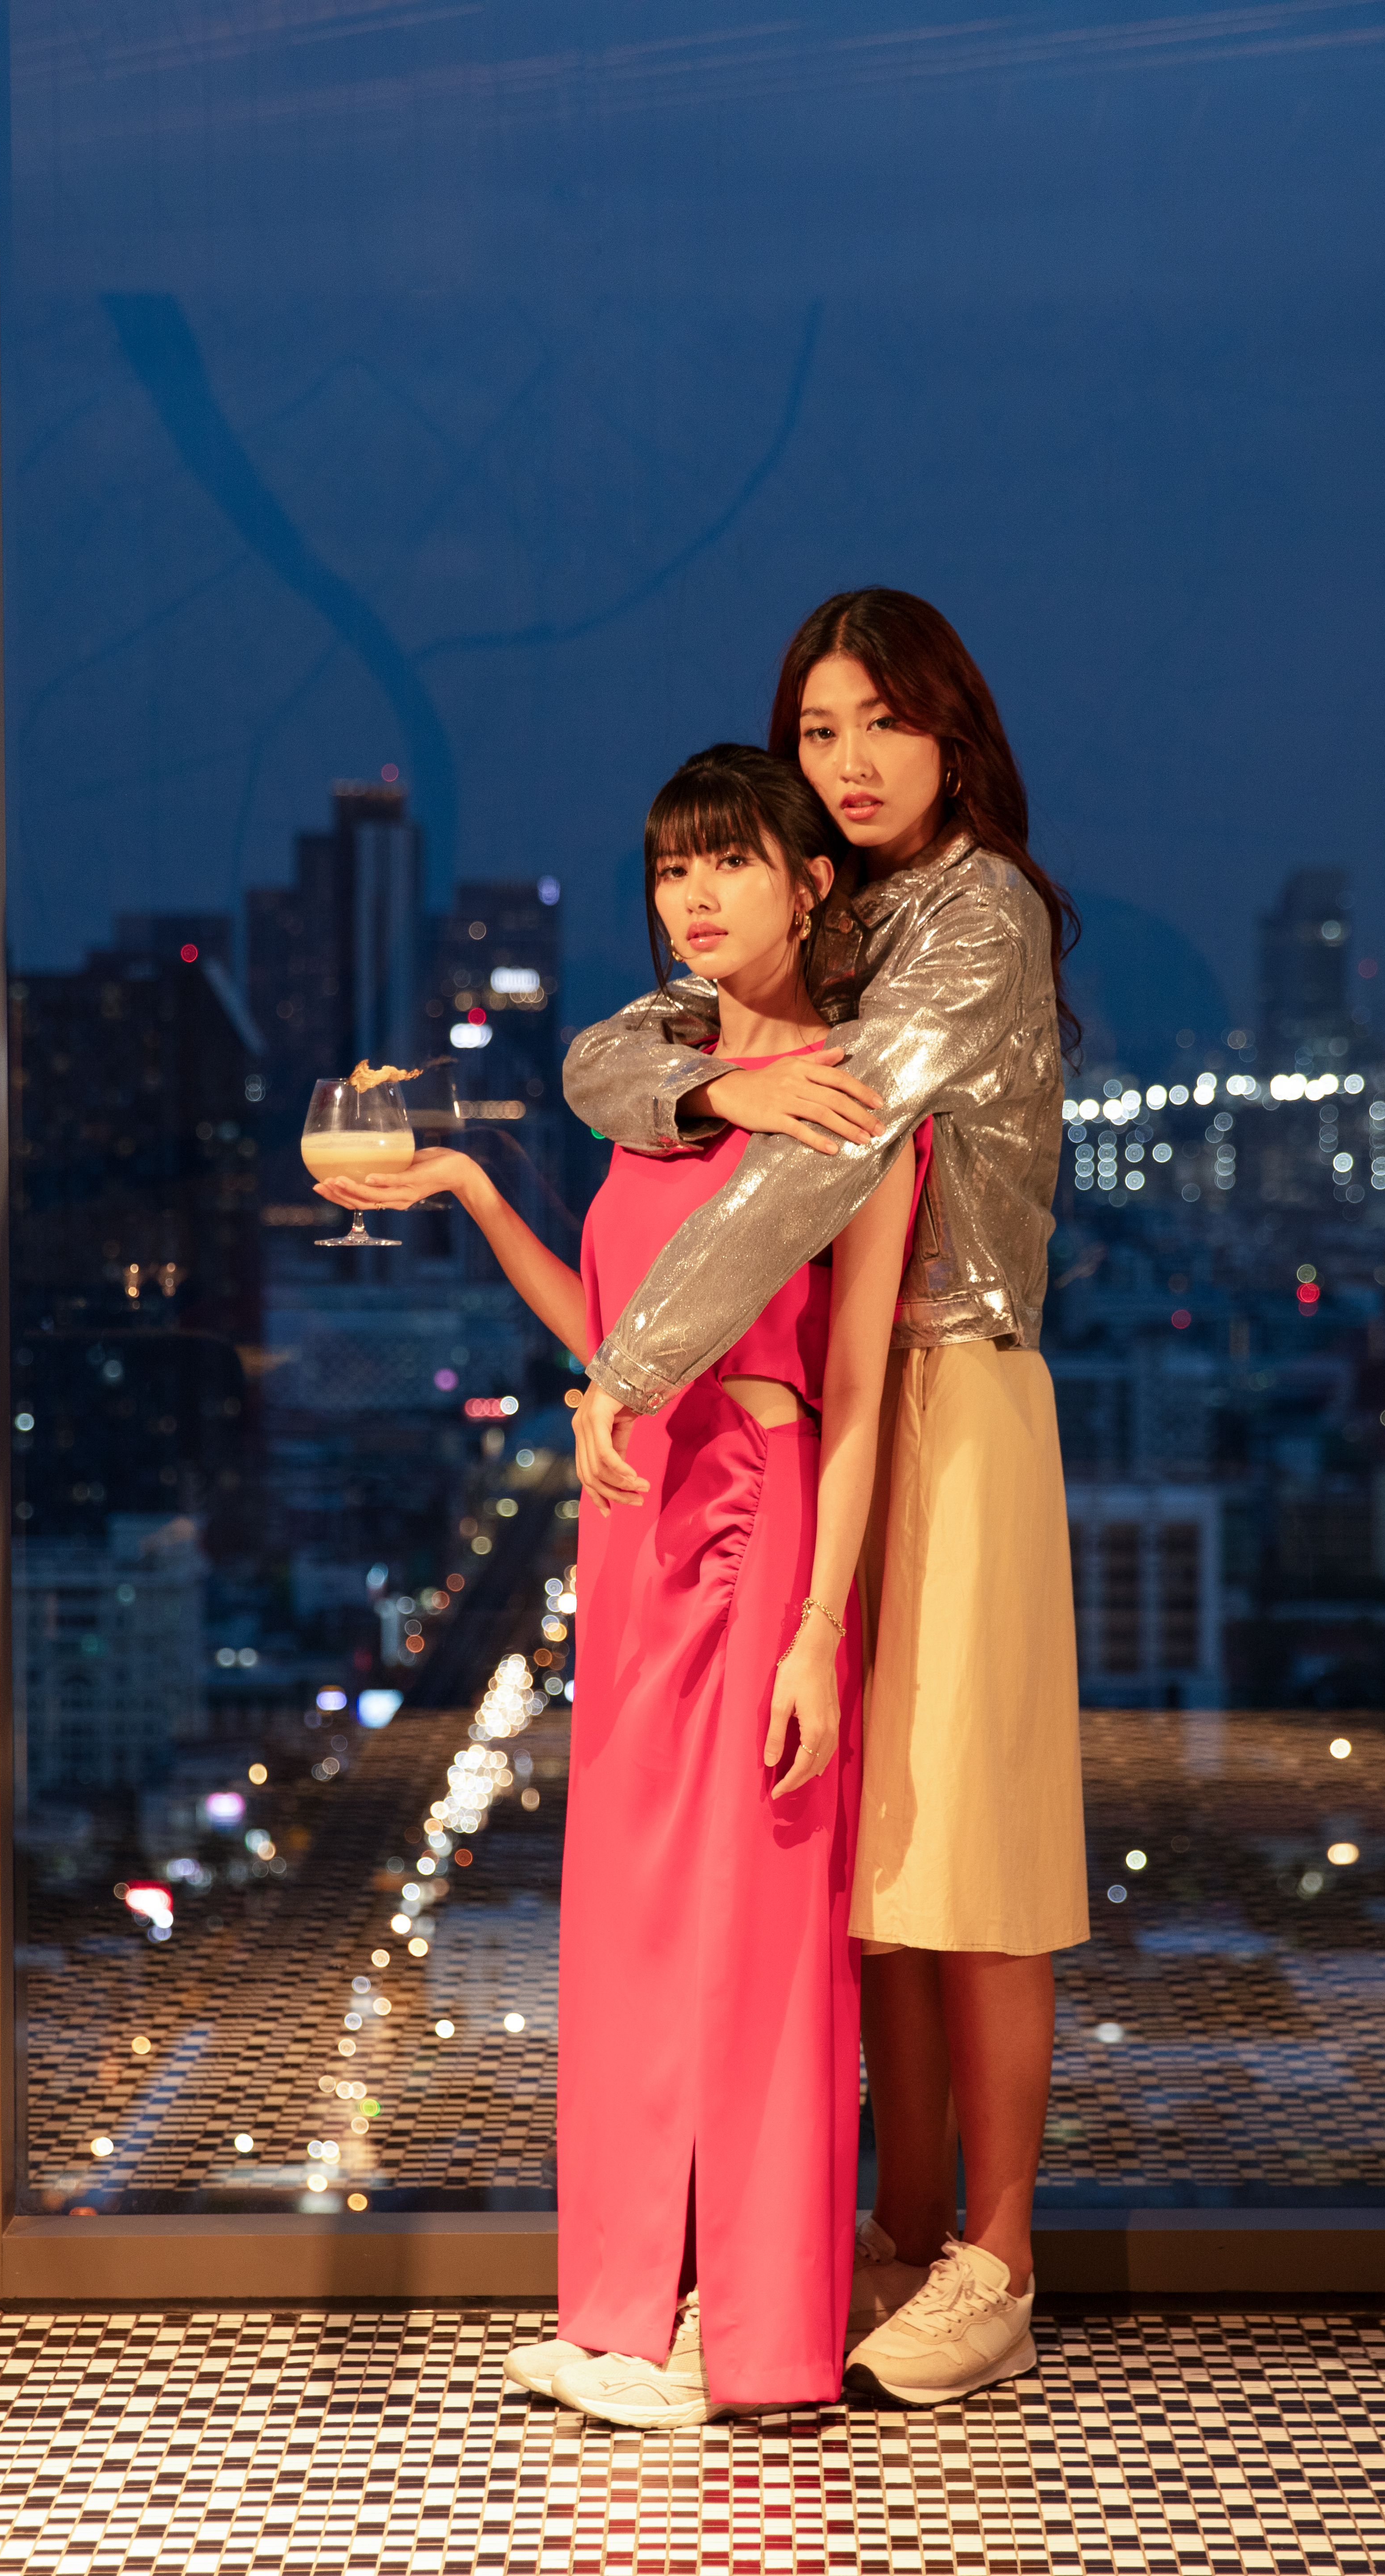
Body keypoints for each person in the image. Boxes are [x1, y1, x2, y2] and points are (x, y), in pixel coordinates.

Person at [318, 744, 917, 2428]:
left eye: (728, 863)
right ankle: (623, 2314)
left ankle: (756, 2326)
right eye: (668, 870)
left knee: (760, 1935)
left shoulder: (859, 1094)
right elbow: (606, 1335)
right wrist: (465, 1190)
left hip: (762, 1508)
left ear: (810, 884)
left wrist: (817, 1629)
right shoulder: (661, 1080)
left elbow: (858, 1388)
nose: (693, 898)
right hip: (636, 1526)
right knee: (636, 1928)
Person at [564, 589, 1085, 2410]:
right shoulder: (824, 908)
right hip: (818, 1419)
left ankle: (996, 2255)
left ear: (955, 733)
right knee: (851, 1863)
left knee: (975, 1854)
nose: (849, 762)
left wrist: (630, 1362)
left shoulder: (982, 922)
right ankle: (888, 2226)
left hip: (955, 1391)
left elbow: (836, 1154)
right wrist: (717, 1075)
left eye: (882, 724)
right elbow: (612, 1061)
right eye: (816, 730)